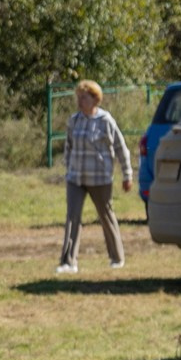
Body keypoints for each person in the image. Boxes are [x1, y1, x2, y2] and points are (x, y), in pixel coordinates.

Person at [57, 79, 133, 274]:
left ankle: (117, 258)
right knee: (72, 217)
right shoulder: (74, 120)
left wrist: (127, 174)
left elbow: (120, 147)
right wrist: (67, 168)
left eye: (84, 97)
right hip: (76, 178)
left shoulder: (105, 120)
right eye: (78, 97)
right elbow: (69, 146)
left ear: (95, 99)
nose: (80, 101)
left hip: (100, 178)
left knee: (106, 216)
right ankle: (68, 262)